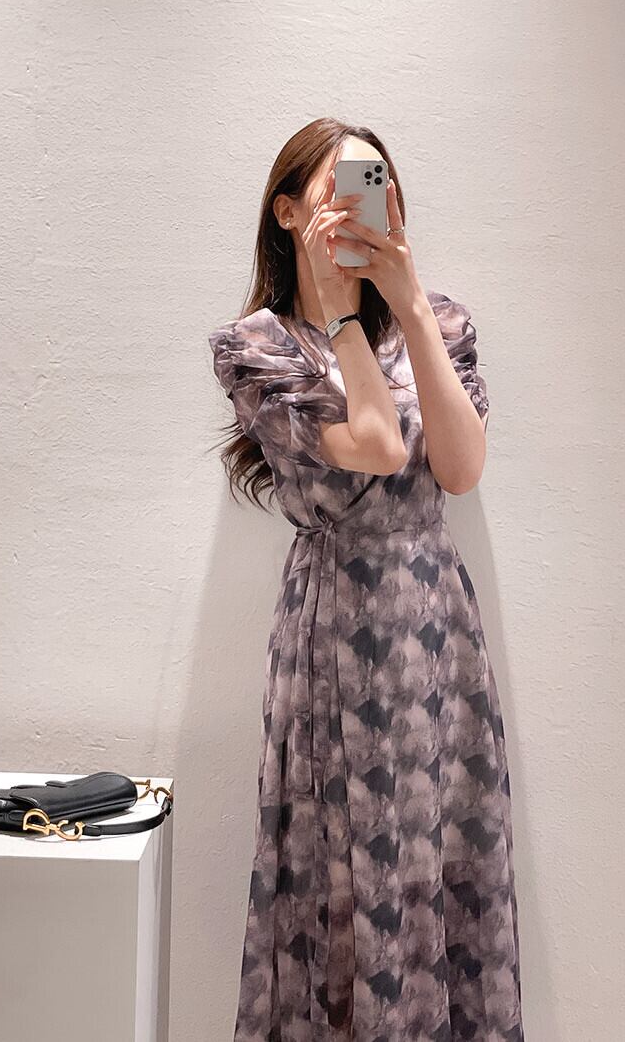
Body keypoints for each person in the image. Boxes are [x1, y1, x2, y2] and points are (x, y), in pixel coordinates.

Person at [208, 117, 524, 1042]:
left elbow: (459, 470)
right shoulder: (256, 348)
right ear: (286, 213)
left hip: (436, 628)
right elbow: (381, 446)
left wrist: (409, 305)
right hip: (334, 631)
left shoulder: (443, 324)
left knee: (443, 853)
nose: (355, 208)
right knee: (342, 869)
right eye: (334, 192)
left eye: (374, 187)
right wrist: (342, 313)